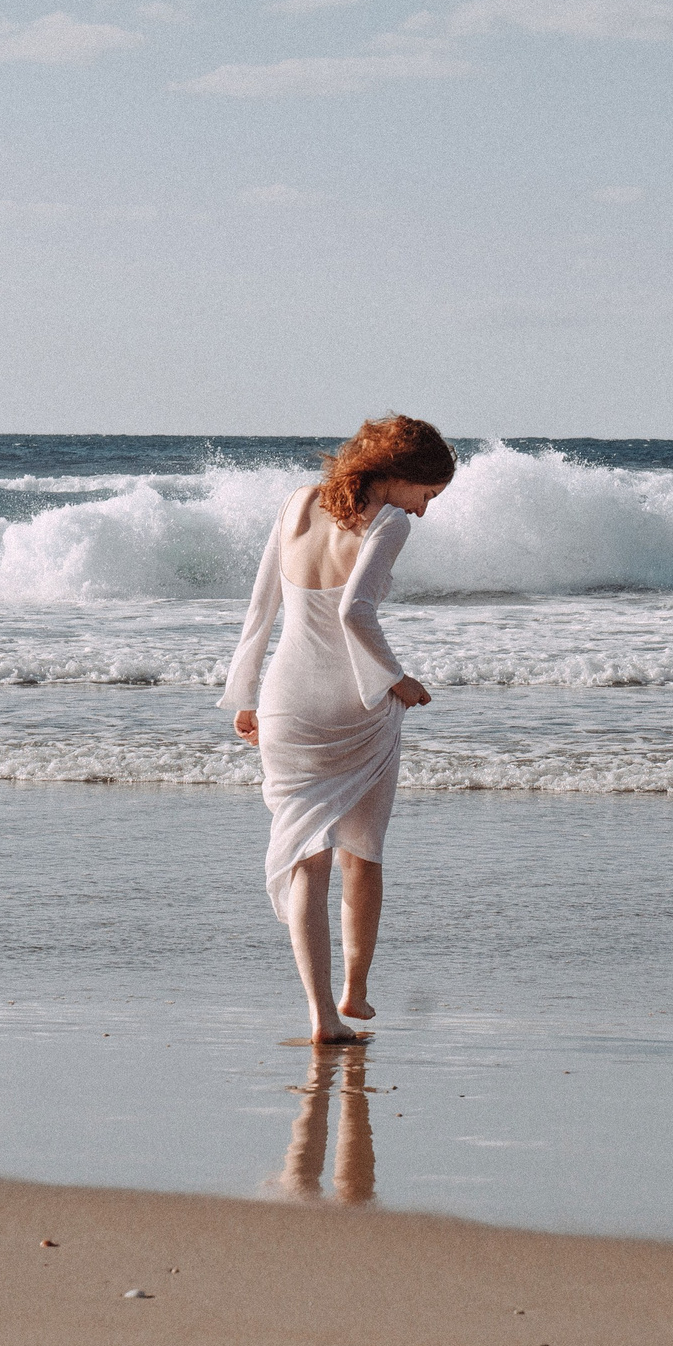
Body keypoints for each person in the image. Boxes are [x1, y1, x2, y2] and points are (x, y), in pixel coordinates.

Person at [221, 415, 455, 1043]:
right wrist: (396, 679)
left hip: (287, 701)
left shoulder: (298, 503)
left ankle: (323, 1016)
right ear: (399, 474)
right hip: (355, 703)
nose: (424, 511)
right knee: (364, 853)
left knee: (307, 858)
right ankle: (357, 989)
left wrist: (245, 696)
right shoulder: (389, 522)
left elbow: (259, 606)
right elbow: (356, 612)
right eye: (427, 494)